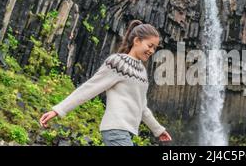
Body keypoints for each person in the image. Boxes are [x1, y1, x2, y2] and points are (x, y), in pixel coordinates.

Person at [39, 20, 172, 146]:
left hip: (127, 132)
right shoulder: (117, 62)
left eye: (155, 48)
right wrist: (58, 110)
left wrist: (158, 130)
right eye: (150, 46)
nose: (152, 51)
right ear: (137, 40)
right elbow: (90, 88)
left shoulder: (142, 71)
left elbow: (142, 107)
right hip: (115, 130)